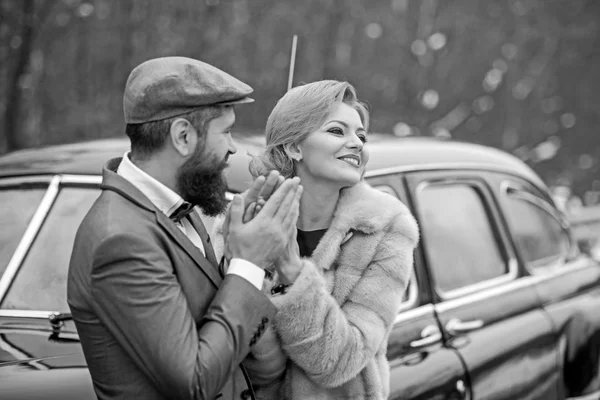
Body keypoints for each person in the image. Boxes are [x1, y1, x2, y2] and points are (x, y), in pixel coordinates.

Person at [67, 56, 303, 400]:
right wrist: (249, 263)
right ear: (183, 136)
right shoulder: (119, 240)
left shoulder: (181, 209)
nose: (233, 147)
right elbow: (194, 382)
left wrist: (238, 253)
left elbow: (208, 317)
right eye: (226, 132)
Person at [212, 80, 420, 399]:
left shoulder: (385, 226)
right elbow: (224, 344)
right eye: (338, 131)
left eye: (361, 135)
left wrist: (293, 273)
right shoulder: (249, 221)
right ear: (295, 148)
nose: (356, 144)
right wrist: (236, 258)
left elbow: (340, 362)